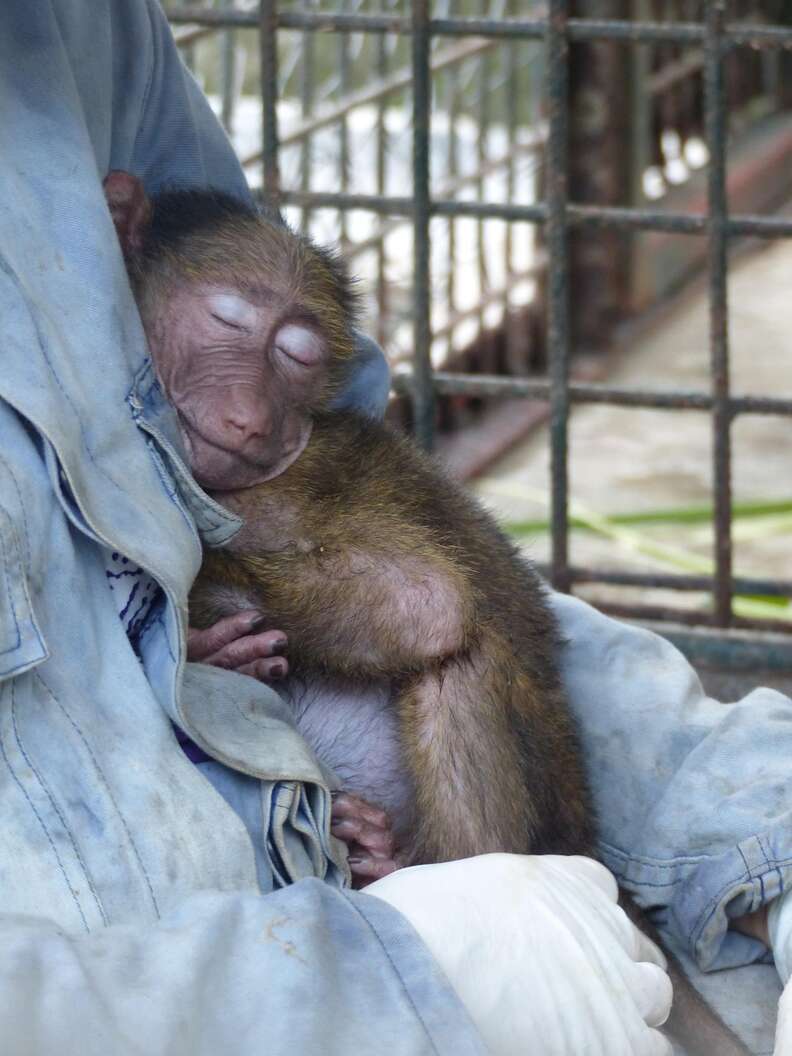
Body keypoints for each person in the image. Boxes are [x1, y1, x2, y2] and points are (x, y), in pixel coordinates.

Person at [0, 3, 674, 1055]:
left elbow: (447, 608)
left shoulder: (89, 41)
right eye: (224, 331)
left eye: (295, 363)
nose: (246, 408)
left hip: (356, 855)